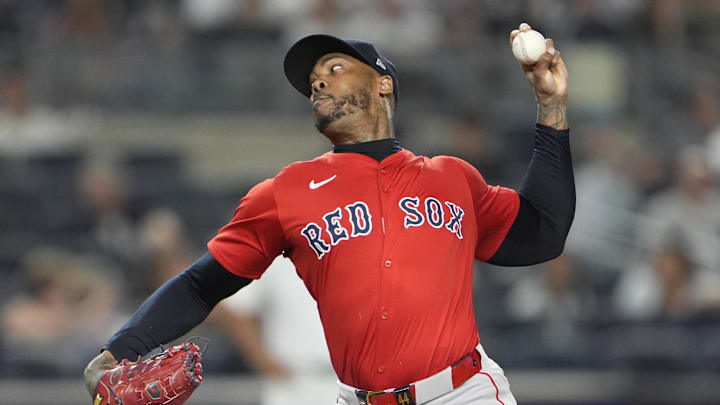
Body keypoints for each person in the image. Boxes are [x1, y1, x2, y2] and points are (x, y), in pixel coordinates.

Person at [85, 23, 574, 405]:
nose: (318, 79)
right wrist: (116, 352)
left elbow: (543, 233)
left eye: (335, 67)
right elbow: (201, 284)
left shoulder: (452, 178)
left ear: (384, 83)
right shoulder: (286, 192)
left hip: (463, 390)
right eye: (313, 79)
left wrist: (551, 106)